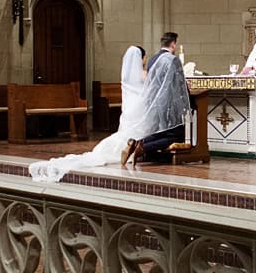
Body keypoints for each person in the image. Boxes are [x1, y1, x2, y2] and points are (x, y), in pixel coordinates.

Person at [29, 46, 147, 182]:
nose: (145, 60)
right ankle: (134, 148)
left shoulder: (126, 74)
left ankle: (128, 147)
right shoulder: (143, 74)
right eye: (144, 58)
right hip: (139, 109)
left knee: (126, 133)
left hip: (129, 109)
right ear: (141, 59)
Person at [121, 52, 191, 165]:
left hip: (161, 114)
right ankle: (143, 147)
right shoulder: (174, 80)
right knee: (176, 136)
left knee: (160, 133)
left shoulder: (159, 81)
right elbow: (184, 97)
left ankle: (135, 142)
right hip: (172, 116)